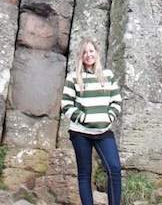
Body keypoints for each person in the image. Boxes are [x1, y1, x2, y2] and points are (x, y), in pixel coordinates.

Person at [61, 38, 122, 205]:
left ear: (97, 53)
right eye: (85, 52)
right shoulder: (73, 77)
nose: (88, 55)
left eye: (91, 51)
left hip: (104, 131)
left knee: (114, 169)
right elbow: (66, 105)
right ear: (81, 56)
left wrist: (108, 117)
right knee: (84, 173)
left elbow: (116, 102)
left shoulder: (108, 76)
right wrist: (84, 118)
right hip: (80, 132)